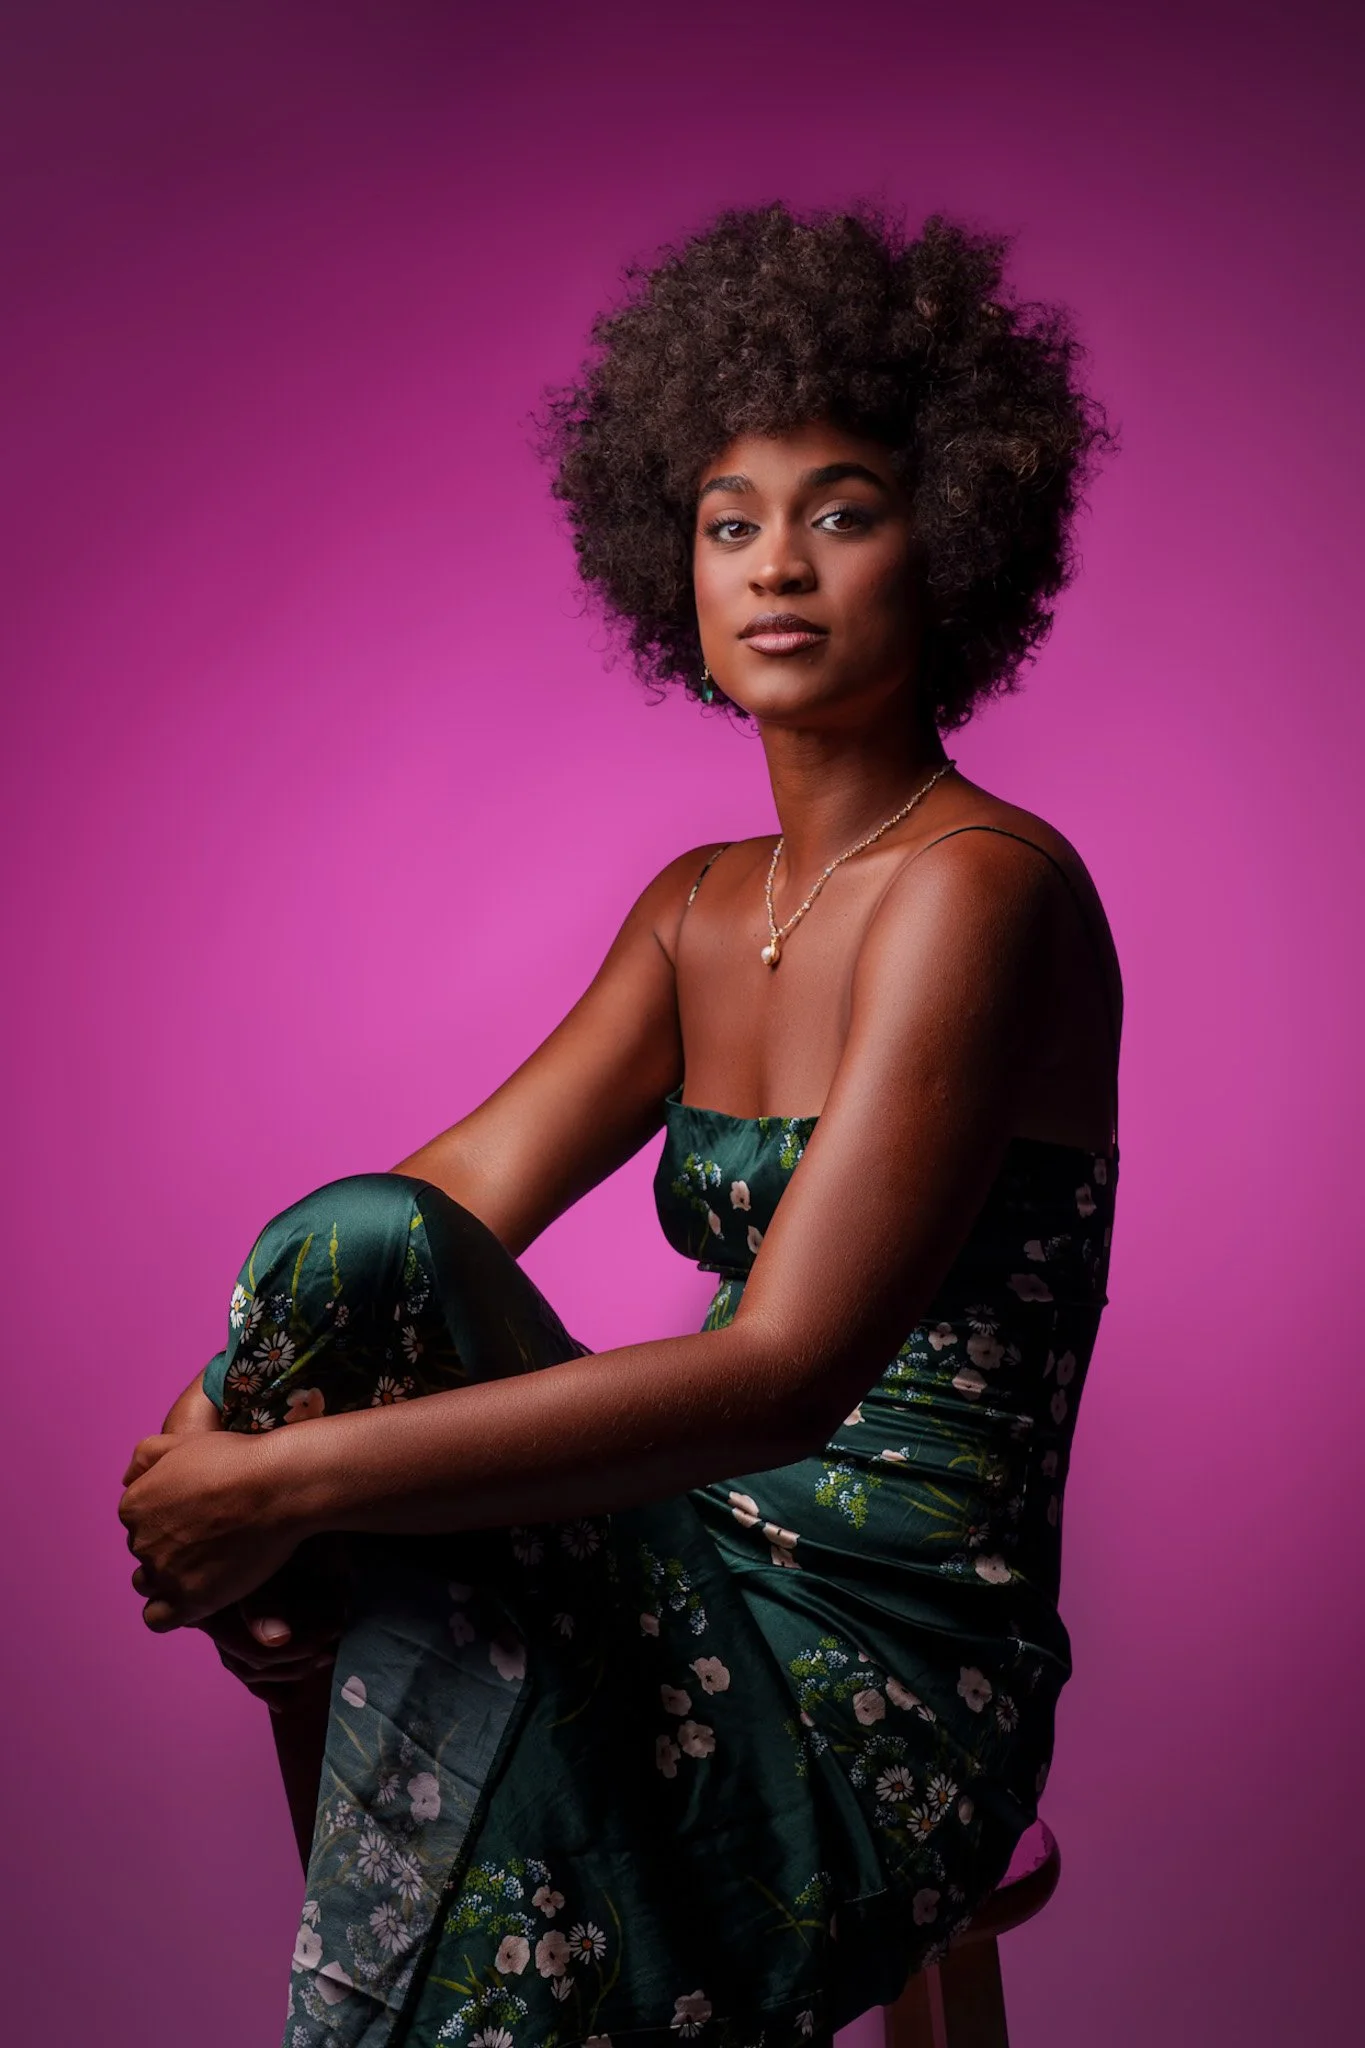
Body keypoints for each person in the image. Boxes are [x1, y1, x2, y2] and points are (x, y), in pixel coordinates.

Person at [119, 200, 1121, 2048]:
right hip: (687, 1563)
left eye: (843, 510)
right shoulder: (698, 905)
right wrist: (205, 1429)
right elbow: (438, 1203)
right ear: (674, 570)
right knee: (358, 1251)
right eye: (730, 521)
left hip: (878, 1677)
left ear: (951, 549)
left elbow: (787, 1377)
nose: (777, 566)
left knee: (341, 1478)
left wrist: (273, 1492)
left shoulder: (984, 890)